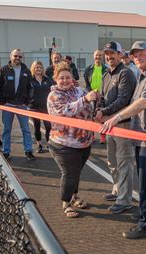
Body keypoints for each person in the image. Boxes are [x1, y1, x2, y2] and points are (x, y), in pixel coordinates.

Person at [100, 41, 146, 239]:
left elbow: (143, 102)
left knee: (145, 181)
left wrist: (116, 117)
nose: (138, 57)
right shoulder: (142, 76)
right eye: (135, 55)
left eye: (142, 54)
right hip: (142, 135)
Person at [47, 62, 98, 218]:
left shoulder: (79, 90)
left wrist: (97, 109)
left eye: (67, 77)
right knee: (70, 173)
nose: (65, 80)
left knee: (77, 172)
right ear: (55, 78)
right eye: (61, 78)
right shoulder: (54, 96)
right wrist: (85, 100)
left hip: (84, 141)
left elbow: (89, 109)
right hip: (63, 143)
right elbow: (64, 112)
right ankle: (66, 204)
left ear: (72, 78)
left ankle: (74, 197)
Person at [95, 41, 137, 214]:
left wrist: (103, 111)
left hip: (123, 125)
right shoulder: (106, 75)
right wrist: (99, 109)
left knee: (124, 162)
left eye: (113, 53)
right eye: (107, 53)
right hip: (109, 126)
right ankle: (117, 190)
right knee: (112, 162)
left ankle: (125, 200)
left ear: (121, 55)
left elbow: (123, 100)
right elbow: (103, 98)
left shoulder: (126, 74)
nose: (109, 56)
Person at [0, 48, 35, 160]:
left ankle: (28, 151)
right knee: (7, 129)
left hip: (22, 105)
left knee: (26, 129)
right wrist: (2, 101)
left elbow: (31, 87)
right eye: (15, 56)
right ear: (11, 56)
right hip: (8, 105)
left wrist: (27, 102)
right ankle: (6, 151)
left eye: (20, 56)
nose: (17, 58)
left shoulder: (26, 71)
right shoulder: (3, 69)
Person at [84, 50, 108, 144]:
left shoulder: (106, 69)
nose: (98, 57)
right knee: (91, 116)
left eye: (100, 55)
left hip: (103, 95)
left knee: (102, 116)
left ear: (103, 57)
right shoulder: (88, 69)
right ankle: (92, 135)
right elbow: (86, 83)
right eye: (96, 55)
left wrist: (101, 92)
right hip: (92, 95)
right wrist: (91, 92)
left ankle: (102, 136)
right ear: (93, 57)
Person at [29, 60, 53, 153]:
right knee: (37, 127)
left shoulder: (47, 79)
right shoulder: (30, 79)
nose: (38, 69)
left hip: (45, 107)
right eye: (36, 67)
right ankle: (39, 145)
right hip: (34, 107)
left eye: (40, 67)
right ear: (33, 69)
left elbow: (52, 90)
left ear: (42, 69)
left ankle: (49, 144)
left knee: (48, 126)